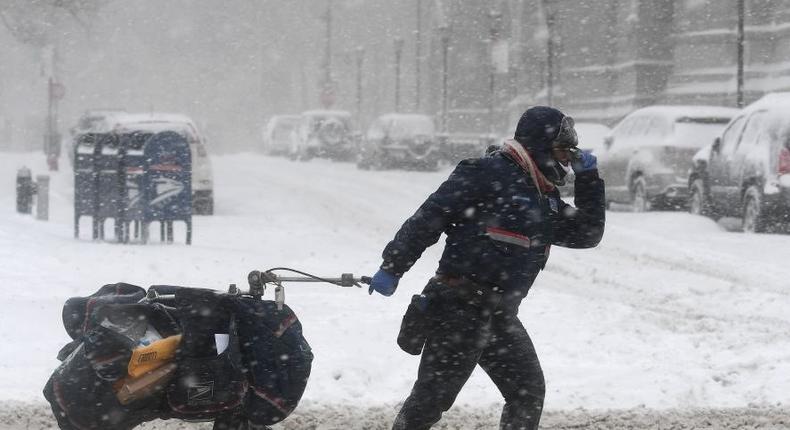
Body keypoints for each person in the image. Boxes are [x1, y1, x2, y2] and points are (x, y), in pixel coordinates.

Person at [368, 106, 606, 430]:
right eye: (562, 151)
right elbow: (428, 218)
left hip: (499, 316)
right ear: (540, 145)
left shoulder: (543, 199)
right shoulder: (485, 173)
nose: (567, 160)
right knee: (430, 401)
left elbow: (588, 234)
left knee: (528, 393)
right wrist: (393, 266)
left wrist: (589, 180)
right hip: (457, 308)